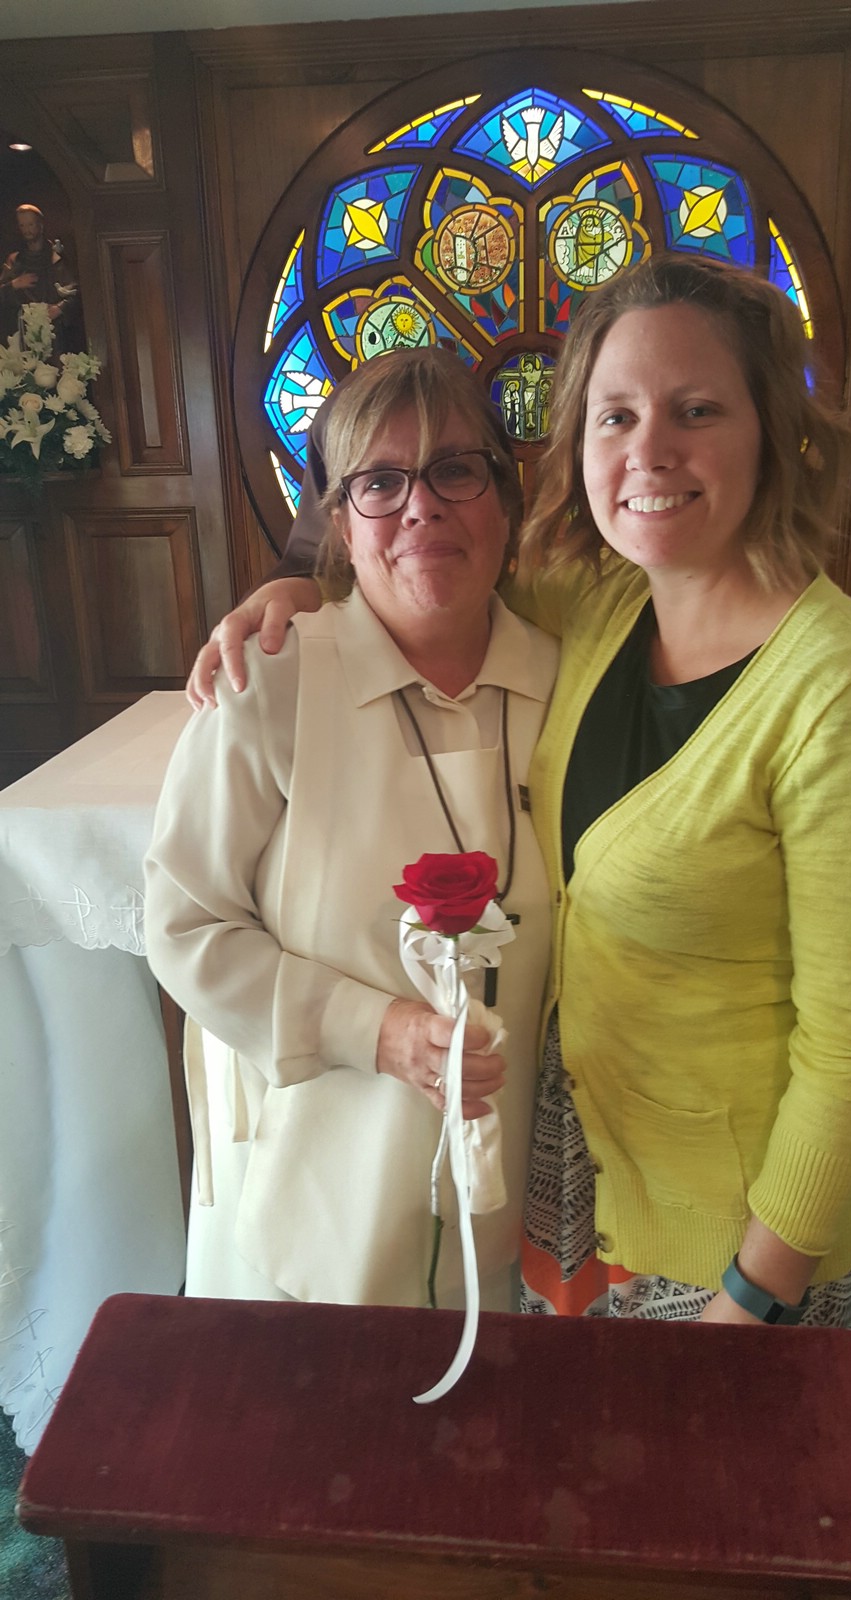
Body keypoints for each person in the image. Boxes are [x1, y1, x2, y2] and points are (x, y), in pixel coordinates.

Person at [183, 256, 851, 1335]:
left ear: (775, 432)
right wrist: (298, 588)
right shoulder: (602, 606)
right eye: (616, 416)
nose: (649, 451)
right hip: (575, 1184)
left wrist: (755, 1296)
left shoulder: (841, 688)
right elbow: (426, 556)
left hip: (738, 1236)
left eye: (696, 410)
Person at [144, 347, 558, 1311]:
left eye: (456, 470)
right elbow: (183, 924)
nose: (422, 508)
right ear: (340, 521)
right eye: (380, 482)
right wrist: (375, 1030)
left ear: (505, 500)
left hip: (518, 1184)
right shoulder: (271, 681)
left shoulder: (566, 679)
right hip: (314, 1181)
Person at [0, 204, 79, 346]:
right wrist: (14, 284)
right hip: (22, 333)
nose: (27, 230)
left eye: (30, 224)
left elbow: (75, 292)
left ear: (40, 225)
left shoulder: (56, 258)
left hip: (54, 332)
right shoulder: (14, 260)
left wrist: (59, 308)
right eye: (22, 225)